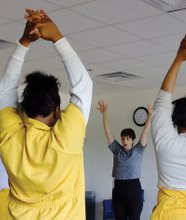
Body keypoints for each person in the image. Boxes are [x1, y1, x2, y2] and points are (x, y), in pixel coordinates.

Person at [0, 9, 93, 220]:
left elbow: (5, 92)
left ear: (22, 109)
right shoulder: (66, 138)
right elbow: (84, 85)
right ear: (58, 111)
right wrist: (56, 38)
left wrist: (24, 42)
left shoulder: (10, 138)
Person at [151, 33, 186, 220]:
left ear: (176, 122)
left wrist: (178, 59)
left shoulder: (166, 142)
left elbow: (162, 101)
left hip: (168, 214)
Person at [97, 100, 152, 220]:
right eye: (123, 138)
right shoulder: (117, 150)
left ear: (132, 140)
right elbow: (107, 132)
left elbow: (144, 134)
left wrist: (150, 116)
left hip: (134, 190)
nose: (125, 141)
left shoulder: (138, 150)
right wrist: (104, 113)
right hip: (119, 190)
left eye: (128, 138)